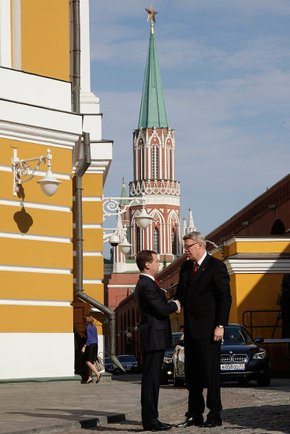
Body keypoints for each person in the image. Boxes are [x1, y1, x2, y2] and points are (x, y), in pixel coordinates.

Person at [175, 231, 231, 429]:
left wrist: (220, 325)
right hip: (190, 330)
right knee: (193, 376)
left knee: (211, 375)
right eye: (185, 247)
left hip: (210, 331)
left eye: (188, 247)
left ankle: (214, 415)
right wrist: (172, 304)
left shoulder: (216, 267)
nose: (185, 251)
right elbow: (180, 294)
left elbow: (224, 299)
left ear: (200, 245)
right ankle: (194, 414)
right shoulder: (185, 268)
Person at [134, 250, 181, 432]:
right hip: (153, 338)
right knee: (151, 381)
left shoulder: (147, 283)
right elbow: (161, 309)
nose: (158, 263)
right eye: (155, 261)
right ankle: (151, 421)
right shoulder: (146, 285)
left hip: (153, 337)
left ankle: (152, 419)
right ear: (147, 264)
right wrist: (175, 305)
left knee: (152, 381)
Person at [81, 315, 101, 384]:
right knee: (91, 362)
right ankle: (90, 378)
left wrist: (84, 346)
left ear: (87, 321)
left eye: (84, 320)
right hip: (95, 344)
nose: (83, 322)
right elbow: (95, 337)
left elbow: (89, 339)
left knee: (88, 362)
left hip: (90, 345)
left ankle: (97, 374)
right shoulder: (94, 327)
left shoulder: (87, 327)